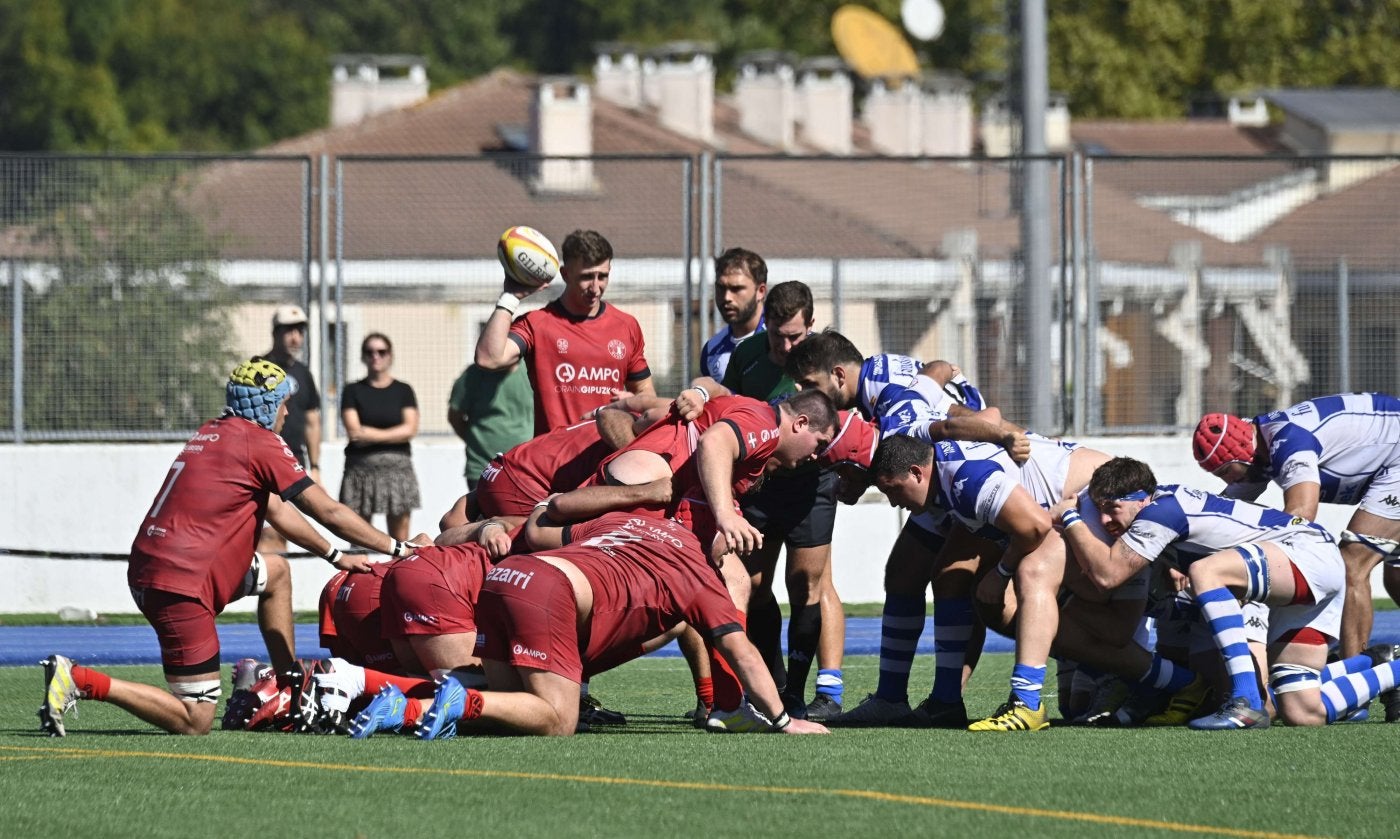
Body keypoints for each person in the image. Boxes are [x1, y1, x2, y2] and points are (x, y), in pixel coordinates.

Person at [38, 357, 422, 737]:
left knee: (277, 573)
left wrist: (334, 555)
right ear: (267, 405)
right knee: (195, 719)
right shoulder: (260, 443)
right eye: (283, 402)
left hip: (161, 569)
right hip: (181, 584)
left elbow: (276, 509)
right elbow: (328, 510)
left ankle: (288, 685)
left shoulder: (215, 431)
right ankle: (79, 679)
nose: (288, 411)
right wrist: (397, 547)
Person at [399, 512, 830, 738]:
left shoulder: (633, 522)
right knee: (557, 721)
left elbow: (544, 531)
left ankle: (388, 699)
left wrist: (547, 506)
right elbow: (742, 652)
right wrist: (782, 720)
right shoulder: (702, 577)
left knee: (515, 707)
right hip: (547, 591)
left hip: (506, 576)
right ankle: (458, 700)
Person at [1077, 456, 1400, 729]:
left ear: (1140, 498)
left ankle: (1245, 702)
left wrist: (1069, 517)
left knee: (1206, 572)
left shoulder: (1158, 513)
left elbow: (1109, 574)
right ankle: (1384, 664)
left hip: (1303, 553)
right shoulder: (1161, 511)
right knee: (1301, 711)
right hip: (1297, 566)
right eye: (1099, 510)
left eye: (1112, 508)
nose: (1105, 520)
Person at [867, 432, 1113, 731]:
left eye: (893, 490)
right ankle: (946, 701)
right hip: (1070, 500)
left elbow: (1036, 526)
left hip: (1100, 498)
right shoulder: (941, 480)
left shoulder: (964, 479)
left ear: (917, 473)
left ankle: (1030, 700)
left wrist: (1001, 574)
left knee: (1029, 575)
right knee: (957, 580)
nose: (894, 503)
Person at [680, 280, 846, 720]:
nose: (787, 345)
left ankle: (820, 690)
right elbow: (726, 403)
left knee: (808, 584)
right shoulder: (747, 356)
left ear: (810, 325)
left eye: (796, 335)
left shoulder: (827, 359)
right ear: (765, 324)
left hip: (813, 484)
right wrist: (698, 393)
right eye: (778, 334)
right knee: (753, 586)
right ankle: (775, 685)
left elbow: (849, 418)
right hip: (761, 481)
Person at [1191, 397, 1400, 676]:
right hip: (1390, 461)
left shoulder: (1288, 441)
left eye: (1226, 472)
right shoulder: (1257, 453)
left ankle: (1356, 677)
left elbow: (1300, 517)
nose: (1228, 482)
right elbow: (1222, 519)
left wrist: (1252, 568)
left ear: (1241, 451)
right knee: (1395, 575)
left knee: (1351, 565)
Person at [475, 229, 654, 434]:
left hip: (606, 456)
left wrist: (635, 404)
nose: (595, 287)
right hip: (552, 460)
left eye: (602, 276)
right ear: (565, 274)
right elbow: (489, 358)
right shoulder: (537, 324)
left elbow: (645, 392)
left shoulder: (626, 326)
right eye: (586, 277)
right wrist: (510, 297)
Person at [256, 305, 323, 578]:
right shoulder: (258, 369)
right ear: (275, 333)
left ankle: (277, 590)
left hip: (294, 462)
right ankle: (270, 589)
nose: (295, 337)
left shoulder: (304, 373)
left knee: (286, 532)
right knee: (271, 533)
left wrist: (316, 466)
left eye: (299, 331)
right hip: (264, 463)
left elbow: (312, 421)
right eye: (288, 331)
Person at [339, 333, 421, 541]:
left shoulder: (403, 390)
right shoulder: (352, 390)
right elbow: (355, 433)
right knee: (358, 541)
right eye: (370, 352)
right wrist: (394, 434)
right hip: (360, 472)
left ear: (390, 356)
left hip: (398, 472)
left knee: (400, 543)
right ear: (363, 356)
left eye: (381, 352)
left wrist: (371, 435)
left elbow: (410, 429)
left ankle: (399, 574)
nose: (376, 356)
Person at [448, 361, 534, 491]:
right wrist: (475, 441)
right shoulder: (473, 375)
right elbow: (455, 416)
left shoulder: (533, 370)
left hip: (526, 468)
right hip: (482, 467)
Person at [698, 247, 766, 380]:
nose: (726, 297)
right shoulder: (711, 350)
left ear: (760, 291)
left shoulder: (785, 339)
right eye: (721, 288)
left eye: (736, 289)